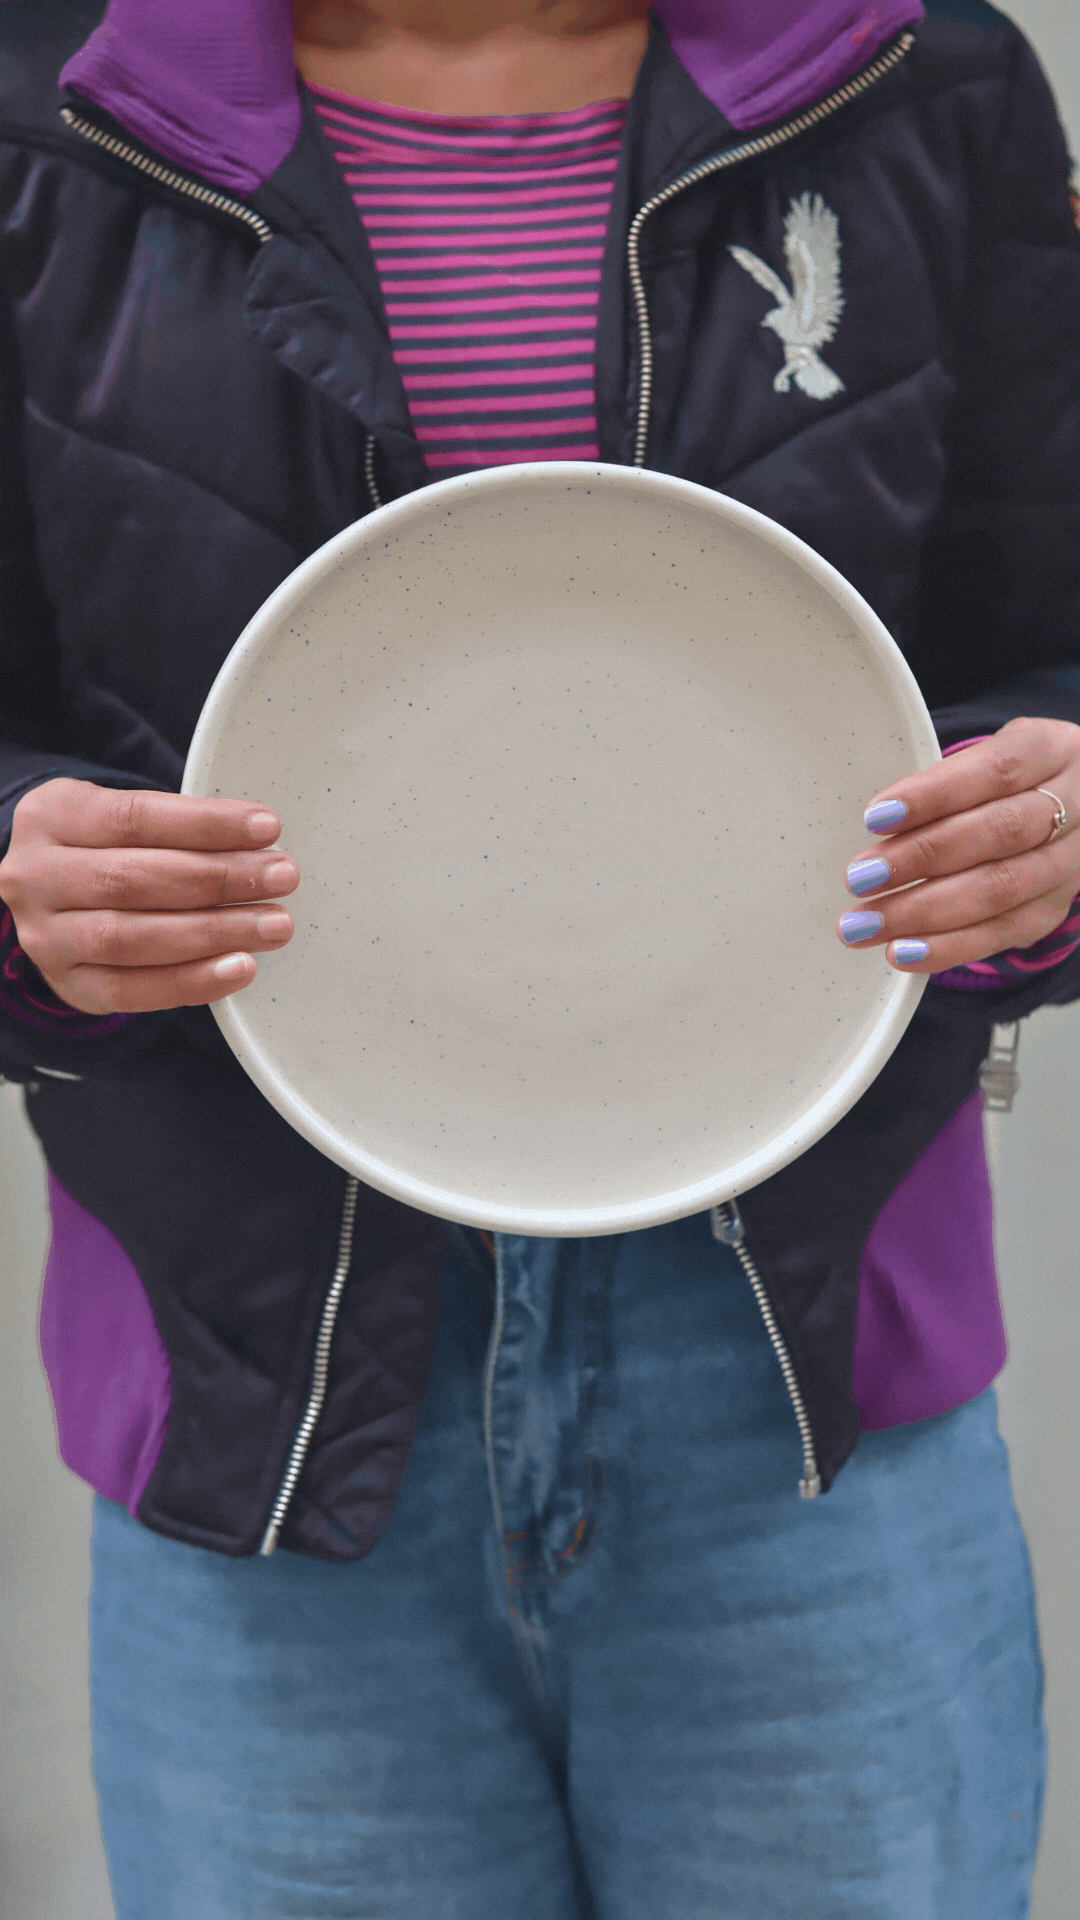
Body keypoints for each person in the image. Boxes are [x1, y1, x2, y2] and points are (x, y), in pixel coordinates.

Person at [2, 1, 1079, 1913]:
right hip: (260, 1382)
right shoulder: (50, 108)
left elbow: (1039, 641)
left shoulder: (919, 81)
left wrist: (1050, 836)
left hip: (801, 1373)